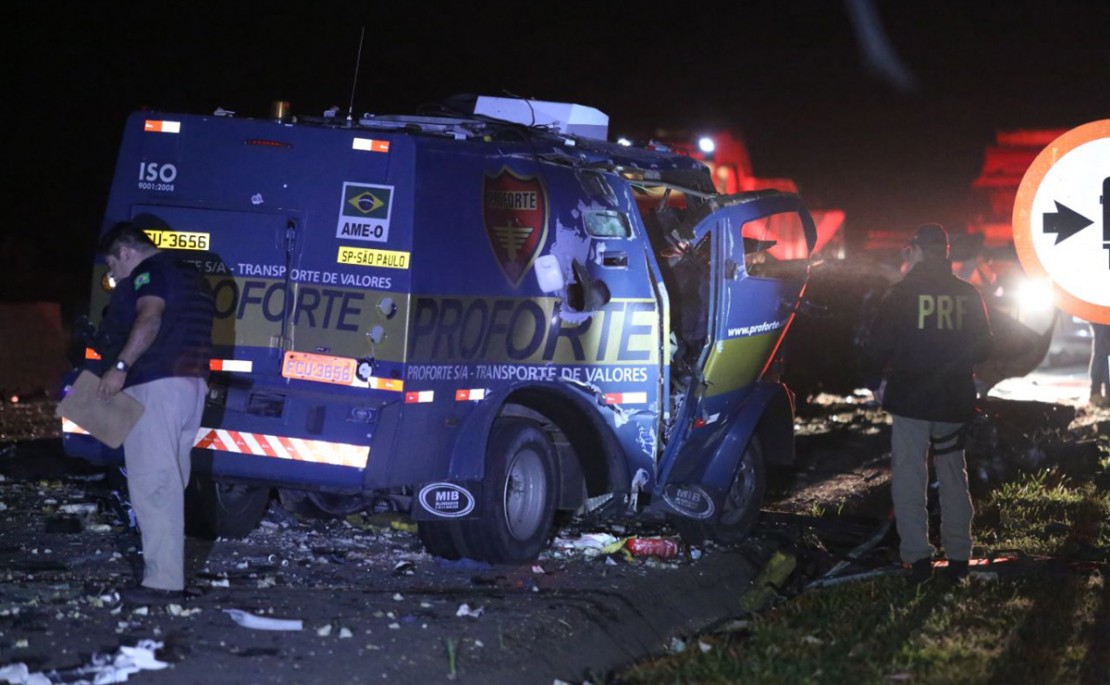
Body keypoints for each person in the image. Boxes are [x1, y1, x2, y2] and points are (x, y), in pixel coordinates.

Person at [864, 224, 993, 584]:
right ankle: (959, 558)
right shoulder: (968, 294)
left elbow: (875, 345)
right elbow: (984, 347)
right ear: (946, 251)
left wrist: (875, 382)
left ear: (918, 250)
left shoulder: (901, 294)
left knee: (910, 476)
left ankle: (917, 560)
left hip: (911, 401)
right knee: (954, 475)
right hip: (954, 401)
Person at [95, 220, 214, 604]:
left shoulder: (150, 273)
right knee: (170, 485)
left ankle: (162, 585)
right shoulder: (191, 275)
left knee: (155, 487)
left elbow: (150, 318)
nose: (114, 275)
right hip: (190, 386)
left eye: (114, 266)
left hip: (156, 387)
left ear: (126, 252)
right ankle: (171, 577)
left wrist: (120, 367)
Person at [1088, 323, 1110, 408]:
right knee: (1102, 348)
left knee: (1102, 349)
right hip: (1102, 315)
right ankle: (1097, 392)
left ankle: (1097, 392)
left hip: (1100, 315)